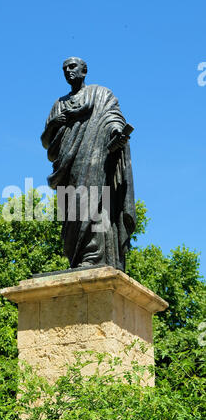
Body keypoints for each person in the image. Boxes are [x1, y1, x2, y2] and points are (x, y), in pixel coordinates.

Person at [41, 57, 136, 272]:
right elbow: (46, 143)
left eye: (73, 67)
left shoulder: (101, 94)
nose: (68, 71)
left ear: (85, 70)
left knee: (94, 205)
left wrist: (115, 135)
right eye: (64, 68)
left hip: (96, 159)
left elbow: (113, 119)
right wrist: (55, 124)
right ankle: (78, 259)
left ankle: (93, 257)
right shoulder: (59, 104)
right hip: (67, 167)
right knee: (72, 214)